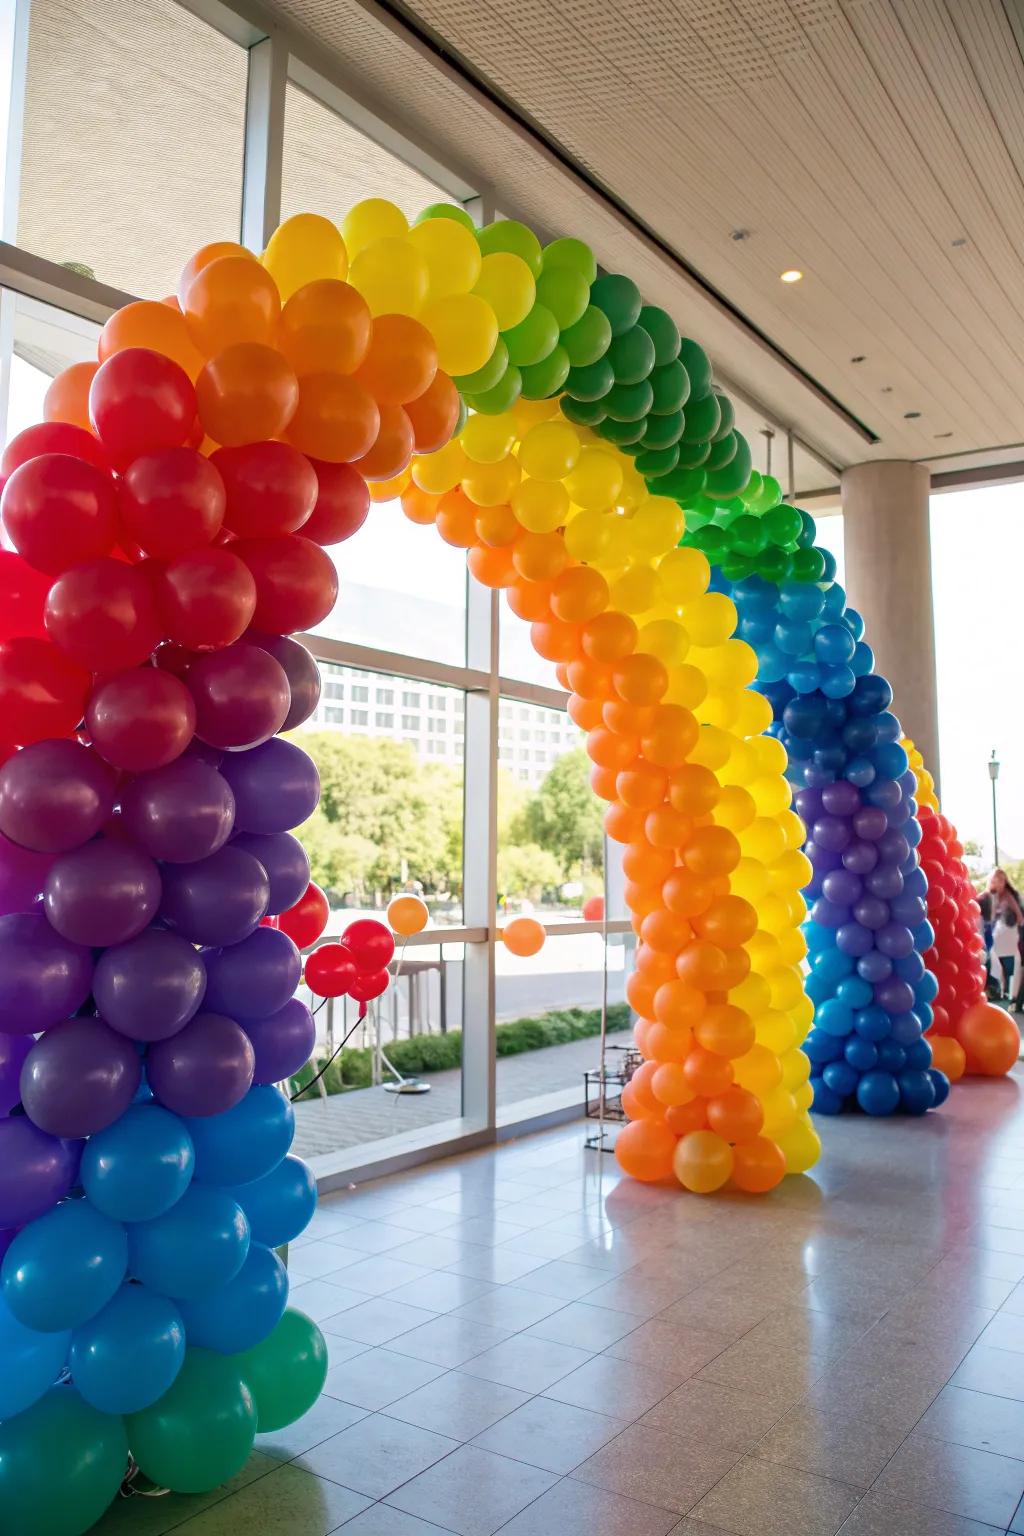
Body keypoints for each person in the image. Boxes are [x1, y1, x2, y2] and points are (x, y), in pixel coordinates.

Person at [987, 868, 1024, 1002]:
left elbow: (1019, 916)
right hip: (1001, 933)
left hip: (1009, 932)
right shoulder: (994, 896)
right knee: (996, 957)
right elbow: (991, 918)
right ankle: (1003, 989)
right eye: (996, 881)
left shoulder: (1008, 895)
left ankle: (1006, 990)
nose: (999, 884)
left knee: (1003, 960)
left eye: (1001, 881)